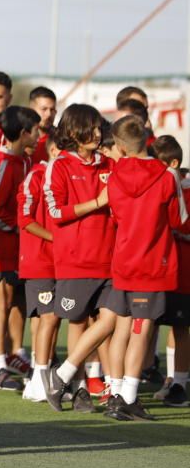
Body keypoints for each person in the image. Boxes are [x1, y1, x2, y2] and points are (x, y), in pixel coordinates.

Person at [48, 116, 185, 420]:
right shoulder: (166, 176)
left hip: (121, 262)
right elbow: (179, 220)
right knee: (140, 329)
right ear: (146, 140)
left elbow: (114, 214)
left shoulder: (115, 174)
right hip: (150, 264)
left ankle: (91, 383)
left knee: (118, 325)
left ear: (120, 146)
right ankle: (128, 397)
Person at [40, 104, 114, 414]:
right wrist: (97, 202)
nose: (98, 134)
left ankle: (63, 374)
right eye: (91, 128)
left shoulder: (109, 164)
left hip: (110, 260)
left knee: (110, 320)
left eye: (99, 128)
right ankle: (80, 388)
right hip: (76, 260)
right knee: (78, 322)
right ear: (73, 132)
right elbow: (56, 212)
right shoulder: (59, 166)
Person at [0, 106, 40, 392]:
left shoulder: (25, 161)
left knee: (16, 301)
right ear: (24, 133)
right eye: (36, 130)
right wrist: (17, 227)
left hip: (19, 247)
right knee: (0, 301)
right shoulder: (4, 162)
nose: (39, 135)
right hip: (2, 246)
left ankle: (12, 357)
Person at [19, 136, 60, 402]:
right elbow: (25, 219)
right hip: (40, 259)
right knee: (46, 317)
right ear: (54, 150)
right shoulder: (36, 176)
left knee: (51, 318)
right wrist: (58, 239)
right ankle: (37, 378)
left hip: (60, 261)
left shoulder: (62, 175)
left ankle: (41, 377)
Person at [153, 136, 190, 407]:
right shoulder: (157, 187)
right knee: (168, 325)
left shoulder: (184, 190)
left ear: (173, 164)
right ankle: (173, 380)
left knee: (180, 325)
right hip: (161, 270)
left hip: (183, 272)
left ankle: (179, 383)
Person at [28, 86, 57, 165]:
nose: (49, 114)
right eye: (44, 109)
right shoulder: (20, 139)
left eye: (52, 110)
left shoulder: (61, 140)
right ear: (31, 110)